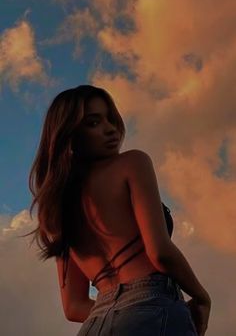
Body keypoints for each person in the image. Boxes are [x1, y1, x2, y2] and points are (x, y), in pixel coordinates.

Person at [24, 85, 211, 335]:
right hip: (152, 308)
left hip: (95, 324)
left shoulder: (57, 206)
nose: (110, 129)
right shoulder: (132, 164)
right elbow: (159, 251)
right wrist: (201, 298)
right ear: (70, 135)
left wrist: (115, 311)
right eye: (93, 123)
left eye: (110, 119)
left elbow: (73, 306)